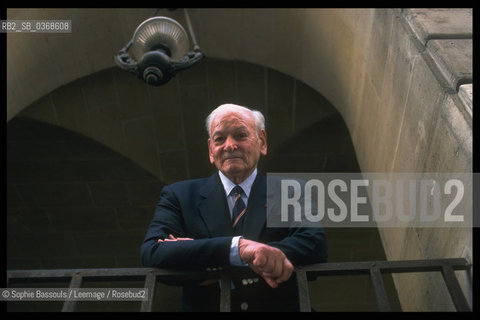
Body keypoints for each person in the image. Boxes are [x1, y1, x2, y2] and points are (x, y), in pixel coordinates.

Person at [141, 103, 327, 312]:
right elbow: (153, 252)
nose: (230, 145)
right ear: (211, 150)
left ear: (262, 142)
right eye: (220, 139)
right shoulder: (179, 195)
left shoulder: (292, 192)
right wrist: (238, 249)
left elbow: (314, 245)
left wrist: (203, 258)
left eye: (240, 135)